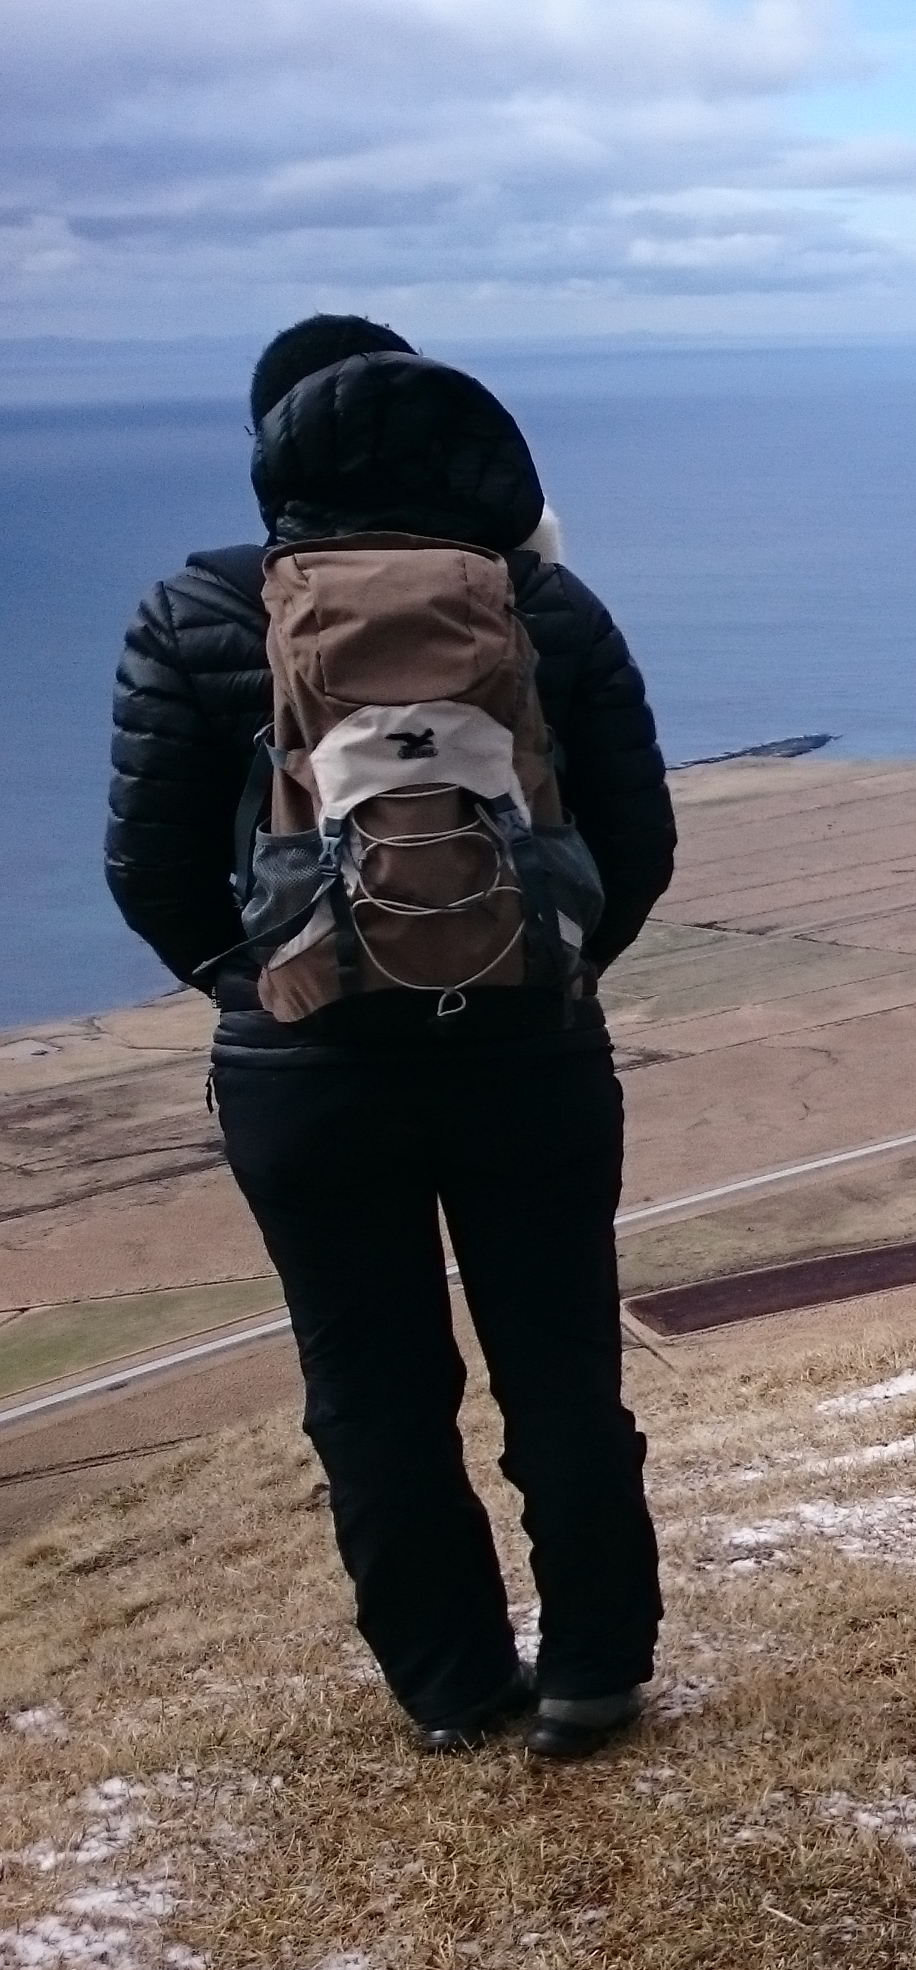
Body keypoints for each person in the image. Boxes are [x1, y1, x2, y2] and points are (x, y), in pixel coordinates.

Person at [103, 321, 677, 1760]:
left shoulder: (196, 611)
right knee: (560, 1366)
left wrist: (258, 989)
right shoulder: (549, 606)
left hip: (306, 1082)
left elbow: (150, 869)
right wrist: (545, 977)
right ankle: (595, 1666)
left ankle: (448, 1680)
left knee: (369, 1384)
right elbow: (640, 845)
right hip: (531, 1065)